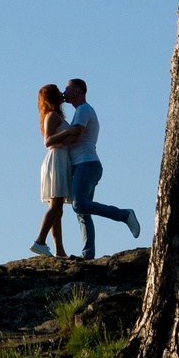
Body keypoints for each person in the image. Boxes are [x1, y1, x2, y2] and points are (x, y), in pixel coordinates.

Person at [59, 77, 139, 259]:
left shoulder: (83, 109)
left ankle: (124, 215)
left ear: (78, 91)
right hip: (84, 165)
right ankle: (88, 255)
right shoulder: (80, 111)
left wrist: (54, 139)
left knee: (79, 205)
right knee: (82, 212)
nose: (65, 93)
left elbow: (77, 133)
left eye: (68, 89)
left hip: (86, 163)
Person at [29, 84, 82, 258]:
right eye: (58, 92)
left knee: (57, 208)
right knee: (56, 206)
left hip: (61, 158)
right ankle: (40, 241)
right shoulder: (51, 116)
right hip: (56, 159)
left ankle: (59, 250)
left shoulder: (56, 115)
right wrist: (68, 132)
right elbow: (48, 141)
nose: (62, 94)